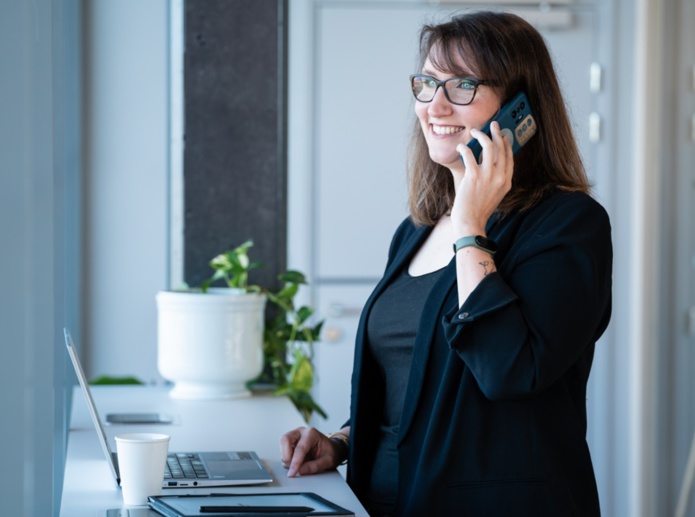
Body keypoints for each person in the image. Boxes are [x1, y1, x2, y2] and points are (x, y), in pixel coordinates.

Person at [280, 10, 612, 517]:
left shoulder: (568, 224)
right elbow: (411, 382)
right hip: (379, 501)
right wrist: (343, 440)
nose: (434, 104)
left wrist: (472, 230)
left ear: (520, 109)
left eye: (462, 85)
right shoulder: (416, 230)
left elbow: (509, 371)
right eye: (428, 83)